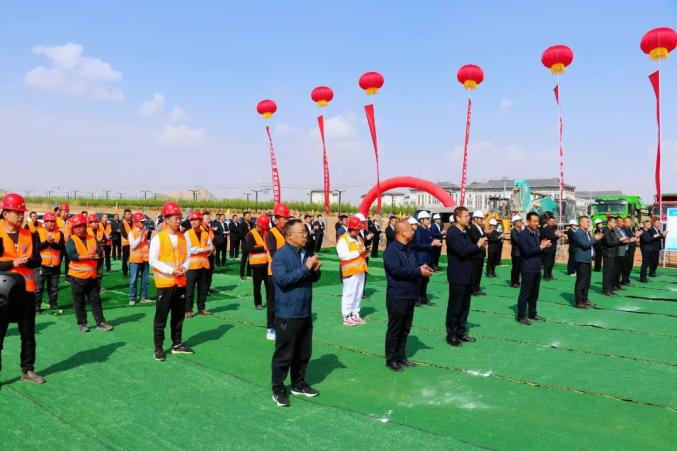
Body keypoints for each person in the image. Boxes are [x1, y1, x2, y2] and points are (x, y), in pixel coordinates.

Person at [270, 219, 322, 407]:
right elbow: (283, 280)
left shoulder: (305, 253)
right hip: (287, 313)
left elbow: (310, 277)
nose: (306, 235)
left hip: (304, 311)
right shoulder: (280, 256)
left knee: (303, 352)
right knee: (284, 354)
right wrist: (306, 268)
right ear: (290, 235)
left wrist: (314, 270)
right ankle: (277, 389)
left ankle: (298, 384)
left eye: (306, 232)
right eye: (302, 232)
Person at [0, 193, 46, 384]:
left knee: (28, 335)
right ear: (5, 213)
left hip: (26, 291)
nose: (21, 215)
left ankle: (27, 370)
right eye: (16, 212)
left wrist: (28, 261)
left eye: (22, 212)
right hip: (2, 294)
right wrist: (13, 262)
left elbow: (37, 259)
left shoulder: (30, 234)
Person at [383, 219, 432, 371]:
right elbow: (396, 271)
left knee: (405, 328)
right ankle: (391, 359)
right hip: (398, 295)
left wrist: (420, 268)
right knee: (395, 329)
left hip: (409, 294)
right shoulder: (391, 250)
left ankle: (400, 356)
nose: (413, 231)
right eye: (411, 229)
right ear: (403, 233)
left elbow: (409, 267)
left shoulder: (408, 248)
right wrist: (417, 271)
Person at [149, 201, 194, 361]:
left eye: (180, 217)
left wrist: (185, 268)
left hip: (180, 283)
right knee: (161, 318)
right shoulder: (158, 238)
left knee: (178, 317)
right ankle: (159, 348)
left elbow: (188, 257)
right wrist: (171, 270)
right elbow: (153, 260)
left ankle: (177, 344)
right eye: (176, 218)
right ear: (166, 219)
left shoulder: (183, 237)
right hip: (165, 284)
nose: (179, 220)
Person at [445, 206, 487, 346]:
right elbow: (462, 251)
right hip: (457, 275)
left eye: (468, 216)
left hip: (468, 273)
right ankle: (451, 334)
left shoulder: (466, 231)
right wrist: (478, 245)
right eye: (466, 216)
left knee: (464, 306)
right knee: (455, 306)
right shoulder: (452, 233)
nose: (468, 218)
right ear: (457, 218)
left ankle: (461, 332)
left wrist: (477, 246)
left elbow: (470, 249)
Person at [66, 214, 112, 332]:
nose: (79, 229)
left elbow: (99, 250)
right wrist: (88, 256)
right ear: (73, 228)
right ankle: (82, 323)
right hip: (77, 277)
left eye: (81, 226)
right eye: (76, 227)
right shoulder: (72, 240)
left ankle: (100, 322)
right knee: (79, 301)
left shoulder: (92, 238)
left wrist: (97, 254)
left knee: (95, 300)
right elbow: (71, 255)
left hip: (92, 276)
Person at [516, 212, 551, 325]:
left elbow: (536, 249)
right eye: (534, 221)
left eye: (537, 221)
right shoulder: (523, 235)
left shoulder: (535, 233)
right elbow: (527, 252)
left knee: (534, 294)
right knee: (525, 293)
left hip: (536, 267)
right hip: (528, 268)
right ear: (528, 222)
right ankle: (521, 316)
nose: (537, 223)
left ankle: (532, 313)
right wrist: (541, 247)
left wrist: (543, 246)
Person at [336, 216, 369, 325]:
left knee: (358, 293)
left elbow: (361, 250)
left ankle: (355, 313)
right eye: (357, 229)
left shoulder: (359, 238)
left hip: (360, 270)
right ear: (351, 229)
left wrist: (364, 251)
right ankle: (347, 316)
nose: (359, 231)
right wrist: (358, 253)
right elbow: (343, 256)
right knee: (349, 294)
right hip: (350, 272)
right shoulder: (343, 239)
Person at [265, 204, 290, 340]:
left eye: (287, 219)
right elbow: (274, 253)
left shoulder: (286, 233)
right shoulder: (271, 234)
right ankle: (270, 328)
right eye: (284, 219)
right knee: (273, 302)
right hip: (273, 273)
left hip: (286, 273)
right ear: (277, 219)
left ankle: (281, 324)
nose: (286, 221)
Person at [184, 211, 213, 318]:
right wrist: (204, 249)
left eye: (196, 220)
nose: (193, 222)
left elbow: (210, 245)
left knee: (203, 289)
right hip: (192, 266)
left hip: (204, 265)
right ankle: (188, 310)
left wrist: (210, 249)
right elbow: (190, 249)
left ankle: (201, 308)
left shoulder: (205, 233)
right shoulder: (187, 234)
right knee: (190, 290)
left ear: (200, 221)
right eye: (192, 220)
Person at [35, 212, 65, 315]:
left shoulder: (59, 233)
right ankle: (37, 307)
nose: (52, 224)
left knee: (54, 288)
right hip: (42, 265)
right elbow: (37, 247)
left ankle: (53, 305)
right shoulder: (38, 232)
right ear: (45, 222)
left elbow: (61, 247)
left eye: (53, 222)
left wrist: (52, 243)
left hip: (55, 266)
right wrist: (47, 242)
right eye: (49, 222)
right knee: (38, 288)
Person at [571, 216, 602, 309]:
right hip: (581, 260)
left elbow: (590, 244)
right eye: (587, 222)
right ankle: (579, 301)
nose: (588, 224)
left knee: (587, 281)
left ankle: (585, 299)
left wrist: (596, 239)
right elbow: (585, 245)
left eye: (589, 222)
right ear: (580, 223)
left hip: (587, 260)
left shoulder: (586, 232)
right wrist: (595, 238)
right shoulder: (578, 233)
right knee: (581, 281)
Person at [412, 211, 441, 306]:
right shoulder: (419, 230)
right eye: (427, 219)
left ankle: (423, 298)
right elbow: (418, 244)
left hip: (427, 258)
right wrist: (431, 244)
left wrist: (433, 241)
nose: (429, 221)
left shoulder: (426, 230)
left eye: (429, 219)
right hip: (421, 259)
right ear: (421, 220)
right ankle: (416, 299)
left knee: (425, 280)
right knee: (419, 280)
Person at [246, 214, 272, 311]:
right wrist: (262, 248)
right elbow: (250, 248)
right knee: (257, 286)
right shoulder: (250, 234)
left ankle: (270, 302)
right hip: (256, 265)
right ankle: (258, 303)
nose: (264, 229)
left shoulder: (265, 233)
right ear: (258, 225)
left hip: (266, 263)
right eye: (263, 227)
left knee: (268, 285)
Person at [128, 212, 151, 305]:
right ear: (136, 222)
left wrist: (148, 239)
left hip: (145, 259)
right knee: (133, 280)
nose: (143, 223)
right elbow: (133, 246)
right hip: (135, 261)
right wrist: (140, 236)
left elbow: (147, 244)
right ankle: (132, 298)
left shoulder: (145, 231)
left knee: (145, 280)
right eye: (142, 222)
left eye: (144, 221)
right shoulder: (131, 233)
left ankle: (143, 297)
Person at [601, 216, 621, 296]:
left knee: (612, 272)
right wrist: (619, 240)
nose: (615, 224)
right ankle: (606, 289)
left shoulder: (612, 231)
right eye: (614, 222)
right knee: (607, 273)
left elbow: (614, 241)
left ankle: (610, 288)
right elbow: (609, 242)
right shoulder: (606, 231)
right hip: (608, 254)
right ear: (609, 222)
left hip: (614, 254)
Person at [468, 210, 487, 296]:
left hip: (481, 253)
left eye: (482, 218)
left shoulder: (480, 228)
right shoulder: (472, 228)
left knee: (479, 272)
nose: (481, 220)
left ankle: (477, 288)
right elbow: (477, 239)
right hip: (475, 254)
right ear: (475, 218)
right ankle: (472, 289)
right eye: (480, 218)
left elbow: (484, 238)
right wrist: (483, 240)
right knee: (474, 272)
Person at [540, 216, 562, 281]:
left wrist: (558, 236)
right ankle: (546, 276)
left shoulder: (553, 228)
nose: (552, 223)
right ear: (547, 222)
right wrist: (556, 235)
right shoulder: (545, 229)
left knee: (552, 263)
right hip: (547, 248)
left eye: (553, 221)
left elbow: (554, 238)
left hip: (553, 248)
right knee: (547, 263)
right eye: (551, 221)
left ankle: (550, 275)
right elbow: (549, 237)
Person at [621, 217, 639, 285]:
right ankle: (623, 279)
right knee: (624, 265)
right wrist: (633, 238)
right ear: (624, 222)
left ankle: (626, 278)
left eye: (630, 221)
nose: (630, 223)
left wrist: (636, 237)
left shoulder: (630, 229)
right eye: (628, 221)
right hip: (624, 249)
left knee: (629, 265)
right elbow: (626, 239)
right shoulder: (623, 230)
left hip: (631, 249)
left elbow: (633, 238)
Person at [510, 215, 524, 288]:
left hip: (521, 253)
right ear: (515, 223)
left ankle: (517, 281)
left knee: (519, 268)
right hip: (516, 253)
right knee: (515, 268)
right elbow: (517, 241)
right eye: (520, 221)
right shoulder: (513, 231)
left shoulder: (521, 231)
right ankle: (514, 282)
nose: (521, 223)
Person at [239, 211, 253, 279]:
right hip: (245, 244)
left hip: (251, 245)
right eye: (248, 216)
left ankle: (249, 273)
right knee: (244, 260)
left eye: (250, 215)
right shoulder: (241, 225)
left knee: (250, 259)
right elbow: (241, 235)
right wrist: (248, 236)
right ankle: (242, 274)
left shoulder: (252, 224)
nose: (250, 217)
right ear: (244, 217)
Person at [120, 209, 133, 277]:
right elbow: (123, 233)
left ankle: (132, 271)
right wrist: (131, 239)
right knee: (125, 259)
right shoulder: (123, 223)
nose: (129, 215)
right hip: (126, 244)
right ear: (124, 215)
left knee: (132, 259)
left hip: (133, 244)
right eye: (127, 214)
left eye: (130, 214)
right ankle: (125, 272)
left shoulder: (133, 222)